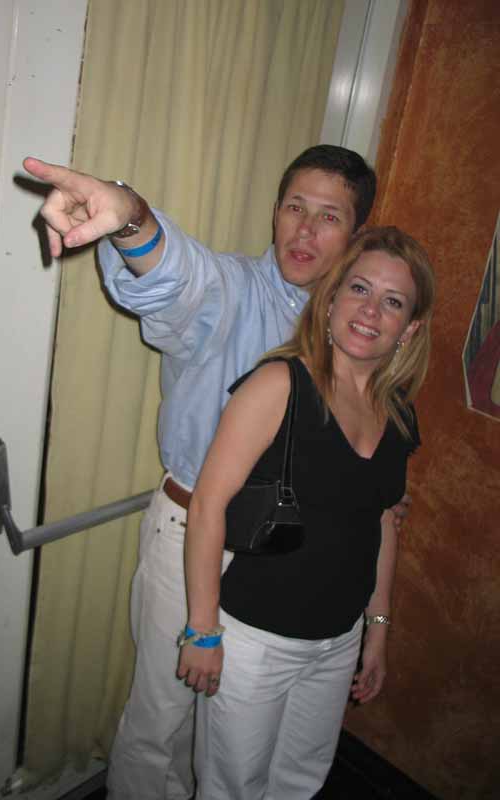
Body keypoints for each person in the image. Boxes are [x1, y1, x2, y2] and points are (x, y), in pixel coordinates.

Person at [23, 147, 399, 800]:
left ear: (355, 234)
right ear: (275, 212)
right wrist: (130, 216)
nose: (304, 230)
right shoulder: (231, 290)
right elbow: (177, 276)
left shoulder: (355, 328)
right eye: (294, 207)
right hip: (195, 528)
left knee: (232, 730)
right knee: (163, 717)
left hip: (286, 556)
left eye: (329, 216)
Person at [177, 226, 435, 799]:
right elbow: (208, 507)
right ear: (332, 296)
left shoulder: (397, 412)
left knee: (299, 782)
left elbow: (383, 523)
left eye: (393, 301)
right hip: (257, 641)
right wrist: (203, 630)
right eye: (359, 288)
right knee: (231, 789)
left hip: (337, 642)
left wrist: (377, 631)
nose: (371, 311)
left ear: (410, 328)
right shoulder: (279, 384)